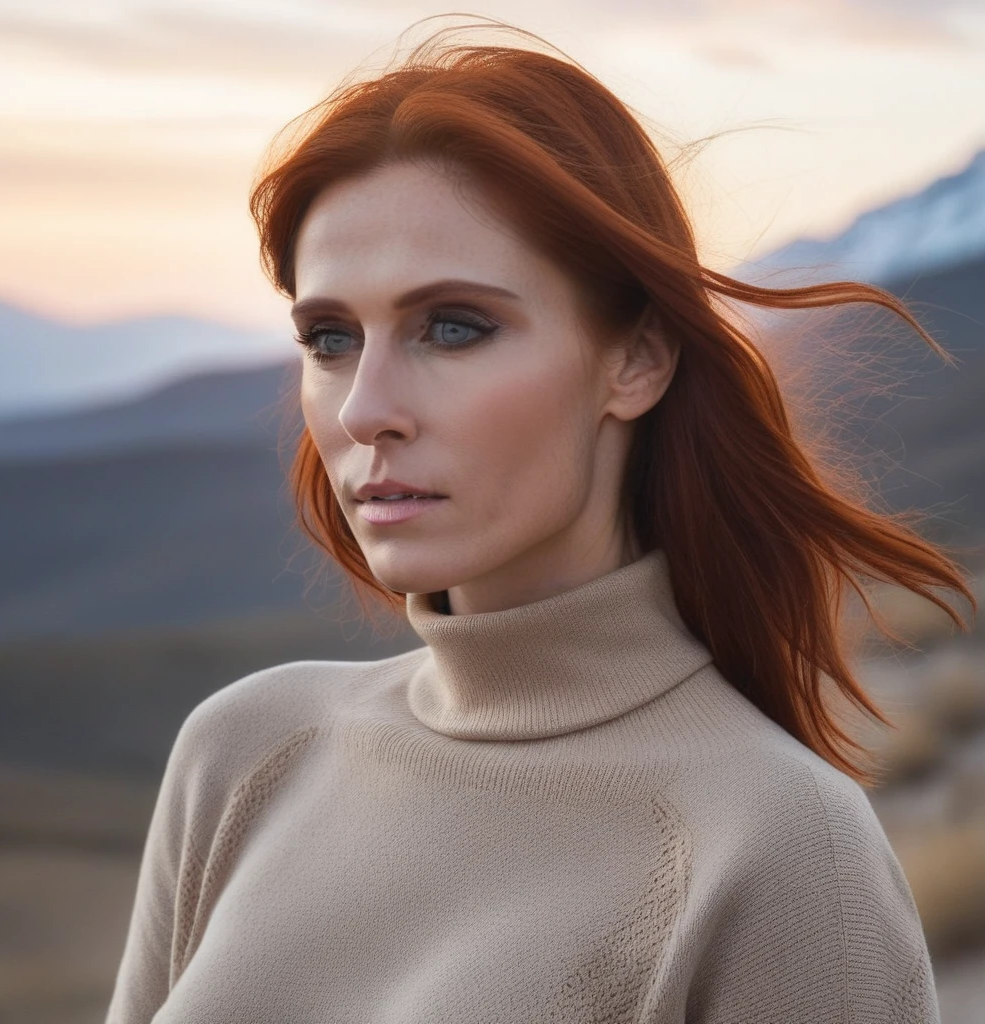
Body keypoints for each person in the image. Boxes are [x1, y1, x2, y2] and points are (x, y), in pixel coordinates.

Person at [105, 17, 975, 1024]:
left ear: (636, 359)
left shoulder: (781, 849)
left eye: (455, 326)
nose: (363, 408)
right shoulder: (247, 750)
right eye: (330, 337)